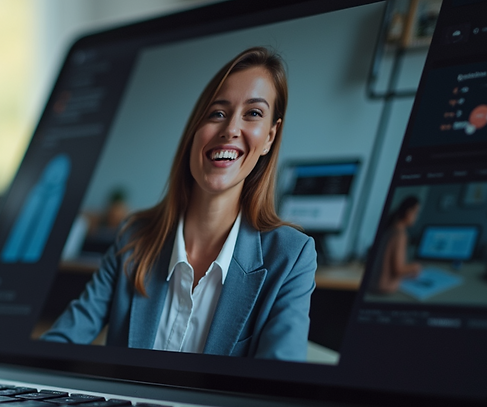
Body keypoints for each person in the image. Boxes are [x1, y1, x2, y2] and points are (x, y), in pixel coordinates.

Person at [42, 46, 316, 361]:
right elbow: (61, 341)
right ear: (195, 130)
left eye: (253, 113)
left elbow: (279, 377)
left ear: (269, 136)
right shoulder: (134, 237)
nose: (230, 130)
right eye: (217, 113)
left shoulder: (292, 257)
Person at [372, 196, 422, 294]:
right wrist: (415, 267)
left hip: (374, 284)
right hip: (384, 288)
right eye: (416, 213)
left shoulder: (390, 229)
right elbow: (398, 270)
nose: (417, 217)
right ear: (408, 212)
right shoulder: (400, 234)